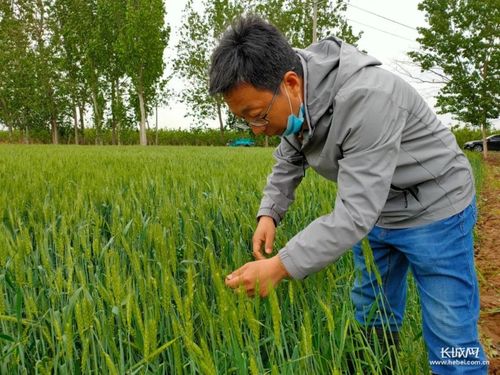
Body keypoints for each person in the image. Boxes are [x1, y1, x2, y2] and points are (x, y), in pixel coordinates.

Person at [208, 15, 488, 375]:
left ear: (291, 84)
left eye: (258, 116)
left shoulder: (368, 98)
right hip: (377, 211)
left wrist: (279, 266)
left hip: (435, 209)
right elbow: (289, 156)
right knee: (371, 309)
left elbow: (354, 214)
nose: (257, 128)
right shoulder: (295, 91)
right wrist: (269, 214)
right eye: (246, 120)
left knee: (451, 332)